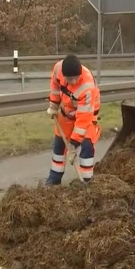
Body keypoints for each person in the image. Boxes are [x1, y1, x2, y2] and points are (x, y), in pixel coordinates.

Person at [45, 54, 101, 185]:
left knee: (86, 145)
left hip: (87, 114)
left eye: (76, 78)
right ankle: (54, 179)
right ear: (64, 76)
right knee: (59, 145)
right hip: (67, 113)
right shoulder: (58, 69)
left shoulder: (87, 87)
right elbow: (55, 87)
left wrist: (73, 144)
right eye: (70, 79)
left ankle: (86, 181)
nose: (74, 82)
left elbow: (83, 120)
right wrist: (54, 104)